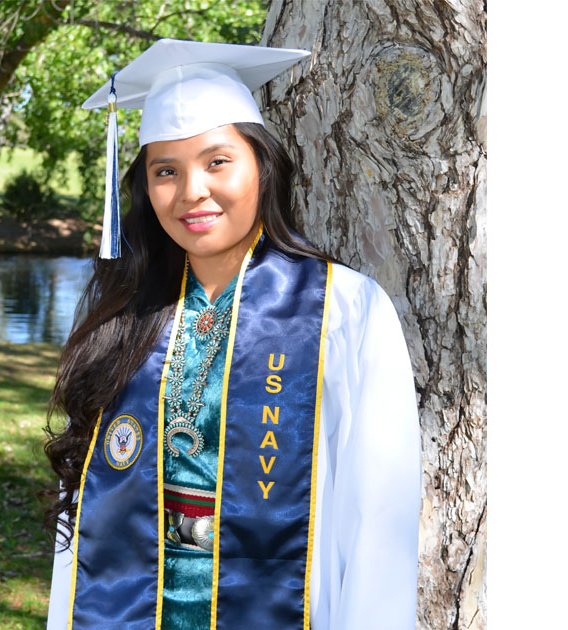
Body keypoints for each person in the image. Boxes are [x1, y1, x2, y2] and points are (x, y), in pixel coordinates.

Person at [43, 39, 421, 630]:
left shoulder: (343, 310)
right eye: (165, 171)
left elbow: (378, 515)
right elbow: (92, 509)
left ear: (262, 166)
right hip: (131, 608)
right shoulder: (125, 315)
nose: (192, 191)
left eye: (218, 162)